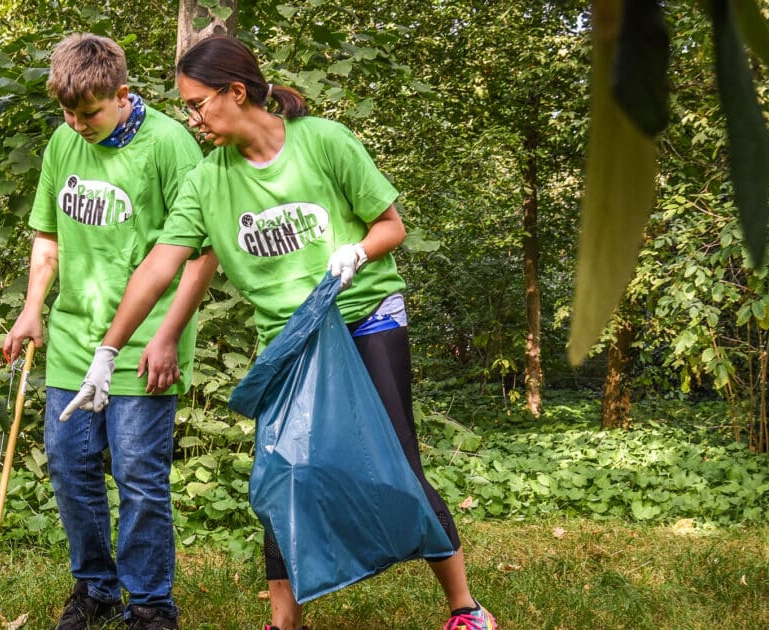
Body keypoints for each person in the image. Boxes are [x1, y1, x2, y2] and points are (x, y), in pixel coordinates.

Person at [62, 36, 496, 630]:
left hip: (363, 319)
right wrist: (109, 350)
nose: (191, 118)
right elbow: (162, 263)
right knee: (279, 474)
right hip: (289, 342)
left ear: (236, 93)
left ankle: (465, 609)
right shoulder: (208, 180)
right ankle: (284, 622)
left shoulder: (324, 143)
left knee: (395, 463)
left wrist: (358, 253)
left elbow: (390, 226)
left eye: (197, 104)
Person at [2, 33, 217, 630]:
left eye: (89, 112)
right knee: (71, 469)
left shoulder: (171, 146)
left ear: (122, 94)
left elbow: (203, 250)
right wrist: (31, 309)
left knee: (139, 478)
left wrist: (171, 333)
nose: (76, 124)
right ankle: (96, 589)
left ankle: (150, 604)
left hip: (145, 345)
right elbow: (47, 235)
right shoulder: (64, 142)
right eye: (67, 113)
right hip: (73, 343)